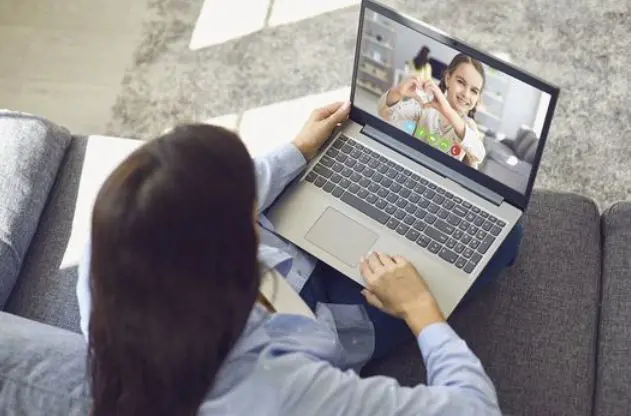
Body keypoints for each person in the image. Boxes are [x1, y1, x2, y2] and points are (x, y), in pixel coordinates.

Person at [77, 100, 522, 415]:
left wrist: (297, 150)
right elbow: (475, 407)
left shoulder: (115, 242)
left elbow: (204, 194)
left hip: (276, 294)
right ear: (232, 263)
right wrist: (421, 310)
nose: (254, 206)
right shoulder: (279, 393)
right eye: (245, 216)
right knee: (506, 238)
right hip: (332, 323)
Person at [379, 53, 486, 169]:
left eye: (474, 91)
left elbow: (479, 155)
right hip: (411, 167)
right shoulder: (426, 104)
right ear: (448, 78)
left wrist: (447, 111)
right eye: (461, 82)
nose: (466, 94)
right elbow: (385, 113)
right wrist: (399, 91)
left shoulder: (469, 126)